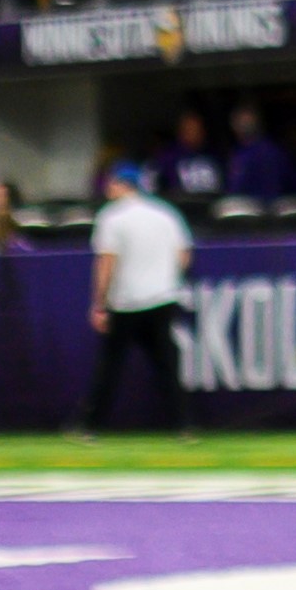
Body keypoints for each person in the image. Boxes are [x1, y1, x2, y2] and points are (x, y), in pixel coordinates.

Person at [87, 158, 196, 435]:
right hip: (162, 298)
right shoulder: (166, 213)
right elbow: (183, 256)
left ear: (122, 184)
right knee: (167, 367)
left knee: (109, 368)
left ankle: (89, 426)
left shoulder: (112, 216)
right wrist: (165, 279)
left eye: (111, 182)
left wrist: (99, 304)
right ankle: (183, 426)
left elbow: (106, 263)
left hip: (126, 302)